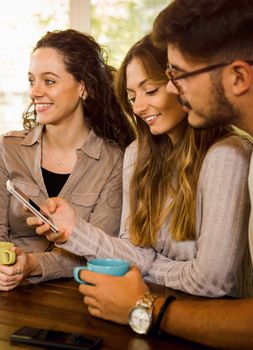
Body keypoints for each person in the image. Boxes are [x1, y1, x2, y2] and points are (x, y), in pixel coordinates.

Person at [35, 1, 253, 348]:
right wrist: (72, 231)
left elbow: (213, 281)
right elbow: (132, 251)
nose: (138, 108)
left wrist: (144, 272)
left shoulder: (228, 154)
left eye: (150, 90)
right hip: (151, 317)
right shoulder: (139, 153)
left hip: (211, 326)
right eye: (131, 96)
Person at [0, 29, 134, 291]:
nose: (35, 92)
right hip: (10, 292)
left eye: (49, 81)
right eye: (31, 80)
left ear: (84, 87)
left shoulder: (114, 161)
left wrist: (33, 264)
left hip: (80, 295)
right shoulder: (8, 148)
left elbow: (101, 252)